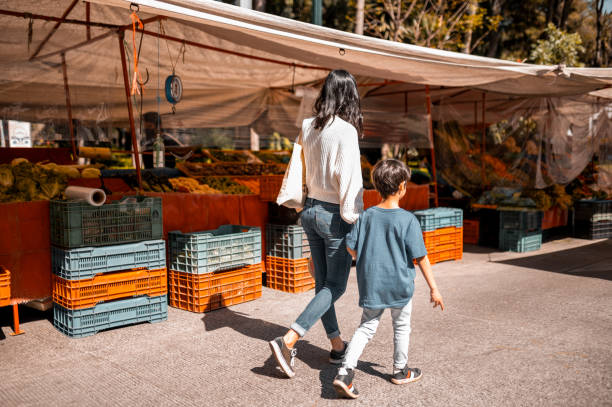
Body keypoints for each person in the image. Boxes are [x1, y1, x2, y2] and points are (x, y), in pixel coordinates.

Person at [269, 70, 364, 378]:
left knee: (323, 286)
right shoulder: (347, 130)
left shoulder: (308, 126)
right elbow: (351, 180)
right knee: (335, 287)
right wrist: (355, 219)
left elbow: (298, 166)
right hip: (334, 214)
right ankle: (288, 340)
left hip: (308, 211)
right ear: (349, 95)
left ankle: (337, 346)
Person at [332, 159, 445, 399]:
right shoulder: (408, 220)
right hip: (400, 287)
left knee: (366, 327)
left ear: (376, 186)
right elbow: (421, 258)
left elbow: (351, 249)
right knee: (401, 327)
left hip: (372, 284)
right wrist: (434, 289)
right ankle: (400, 370)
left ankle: (345, 371)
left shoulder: (365, 217)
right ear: (403, 186)